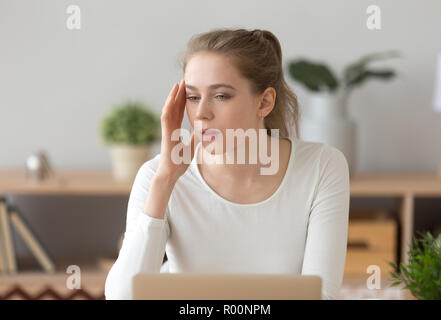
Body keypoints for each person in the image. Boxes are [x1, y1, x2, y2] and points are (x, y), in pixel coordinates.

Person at [104, 28, 350, 300]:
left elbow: (322, 296)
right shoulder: (157, 176)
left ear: (265, 102)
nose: (201, 113)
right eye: (193, 97)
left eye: (220, 96)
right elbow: (123, 297)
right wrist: (165, 181)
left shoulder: (322, 167)